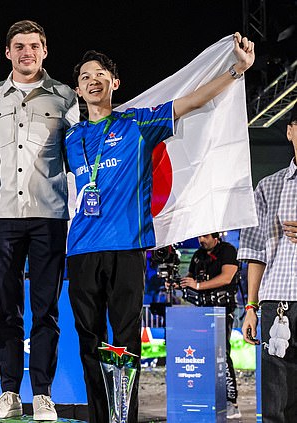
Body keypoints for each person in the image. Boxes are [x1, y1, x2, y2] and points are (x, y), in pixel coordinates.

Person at [64, 33, 255, 423]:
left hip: (128, 248)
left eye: (101, 74)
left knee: (126, 341)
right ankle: (100, 417)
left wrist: (237, 70)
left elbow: (192, 100)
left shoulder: (138, 123)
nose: (93, 80)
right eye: (86, 76)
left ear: (114, 83)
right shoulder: (69, 138)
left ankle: (124, 418)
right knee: (89, 343)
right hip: (80, 251)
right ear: (78, 89)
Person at [0, 20, 79, 421]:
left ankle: (42, 394)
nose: (27, 52)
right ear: (8, 52)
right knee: (7, 308)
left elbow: (83, 153)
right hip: (1, 214)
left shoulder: (66, 98)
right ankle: (8, 393)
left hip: (49, 216)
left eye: (34, 46)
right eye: (19, 46)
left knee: (46, 310)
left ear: (44, 51)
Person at [240, 104, 297, 422]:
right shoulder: (268, 187)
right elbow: (255, 251)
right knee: (275, 399)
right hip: (276, 303)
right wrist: (250, 307)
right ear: (290, 131)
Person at [177, 233, 241, 419]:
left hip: (221, 311)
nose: (201, 240)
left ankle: (231, 402)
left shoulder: (227, 250)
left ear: (215, 236)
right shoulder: (198, 255)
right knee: (203, 355)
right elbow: (190, 278)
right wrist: (179, 283)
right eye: (199, 237)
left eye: (205, 236)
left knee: (222, 353)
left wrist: (197, 285)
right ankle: (207, 398)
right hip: (200, 312)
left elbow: (227, 277)